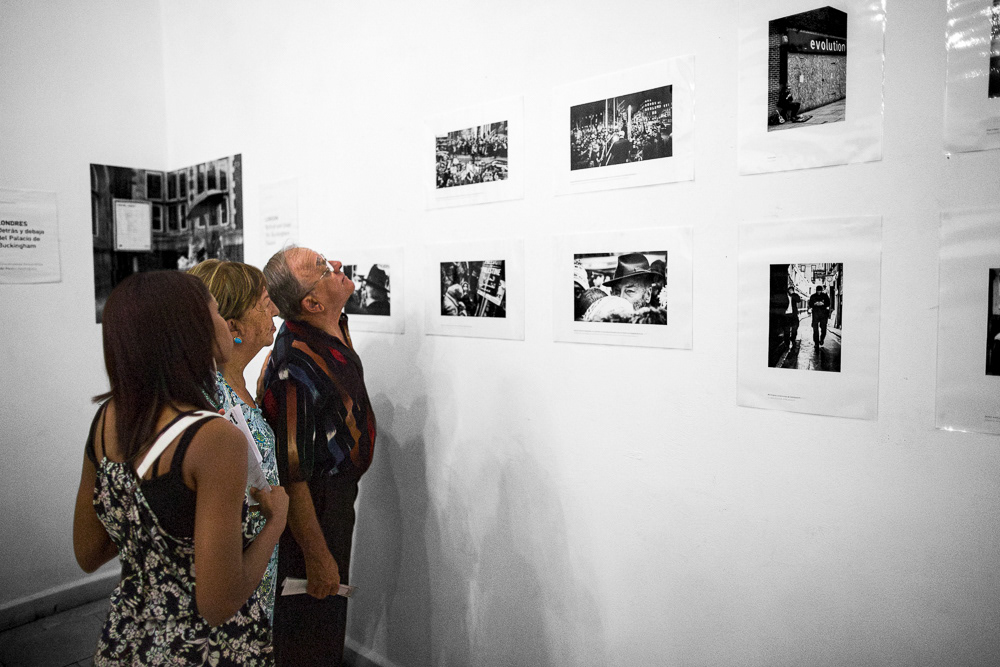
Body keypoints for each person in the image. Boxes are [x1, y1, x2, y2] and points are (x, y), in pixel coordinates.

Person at [73, 270, 288, 666]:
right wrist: (275, 520)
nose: (225, 322)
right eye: (214, 313)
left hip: (128, 640)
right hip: (202, 651)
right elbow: (218, 604)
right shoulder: (214, 438)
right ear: (191, 332)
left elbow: (89, 552)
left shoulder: (108, 418)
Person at [259, 247, 377, 666]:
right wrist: (316, 553)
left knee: (326, 616)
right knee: (313, 619)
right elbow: (293, 476)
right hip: (315, 506)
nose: (338, 266)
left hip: (336, 498)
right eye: (324, 269)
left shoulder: (329, 328)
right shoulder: (295, 364)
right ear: (311, 303)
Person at [188, 259, 282, 623]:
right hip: (229, 582)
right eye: (263, 302)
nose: (274, 307)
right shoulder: (212, 398)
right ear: (233, 327)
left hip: (253, 569)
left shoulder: (235, 386)